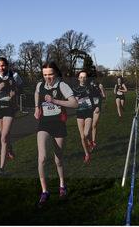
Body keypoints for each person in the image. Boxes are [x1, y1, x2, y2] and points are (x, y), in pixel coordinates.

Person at [34, 61, 78, 208]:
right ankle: (45, 191)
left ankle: (62, 185)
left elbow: (74, 104)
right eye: (45, 74)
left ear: (56, 73)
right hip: (44, 124)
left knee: (58, 159)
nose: (48, 77)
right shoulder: (40, 85)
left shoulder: (62, 85)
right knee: (42, 158)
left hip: (59, 124)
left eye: (51, 74)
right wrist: (36, 107)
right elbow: (36, 93)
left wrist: (55, 101)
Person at [0, 57, 23, 176]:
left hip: (10, 108)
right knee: (4, 136)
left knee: (4, 137)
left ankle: (1, 169)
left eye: (3, 65)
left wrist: (15, 92)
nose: (1, 68)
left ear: (7, 65)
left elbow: (22, 88)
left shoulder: (15, 75)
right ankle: (10, 148)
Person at [72, 71, 94, 163]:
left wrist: (96, 106)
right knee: (82, 137)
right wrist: (76, 100)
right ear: (78, 78)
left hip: (88, 113)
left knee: (85, 134)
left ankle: (90, 141)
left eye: (84, 77)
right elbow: (73, 102)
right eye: (81, 77)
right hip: (79, 114)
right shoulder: (75, 89)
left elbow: (95, 98)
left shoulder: (90, 87)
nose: (83, 79)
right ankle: (87, 154)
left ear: (86, 78)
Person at [89, 75, 106, 151]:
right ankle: (89, 142)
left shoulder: (99, 85)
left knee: (94, 125)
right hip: (89, 107)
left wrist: (101, 89)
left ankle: (93, 142)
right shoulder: (88, 85)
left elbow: (104, 97)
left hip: (97, 107)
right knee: (88, 126)